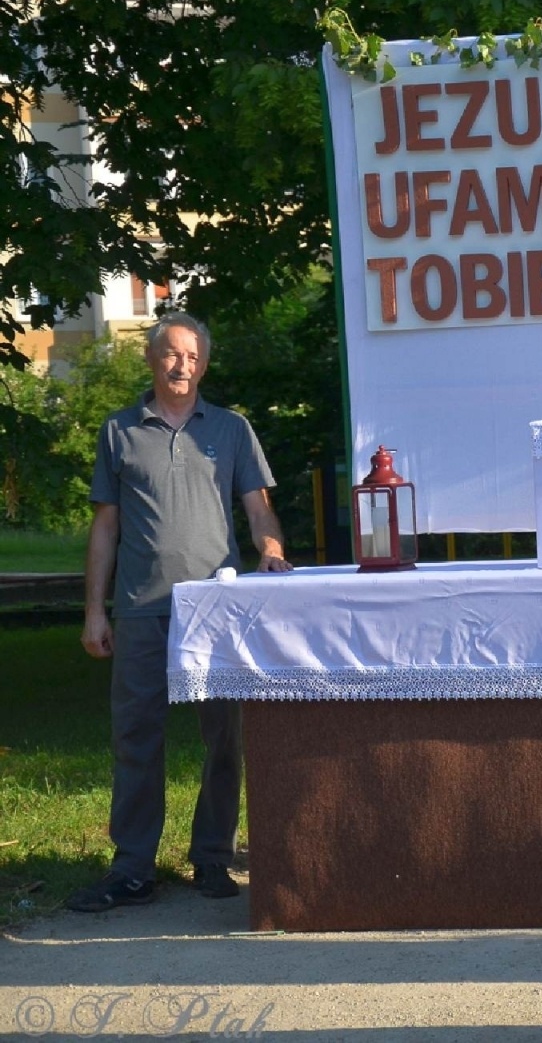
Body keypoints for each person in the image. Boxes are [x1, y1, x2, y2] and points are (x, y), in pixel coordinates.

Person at [67, 312, 293, 912]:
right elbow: (105, 528)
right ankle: (133, 869)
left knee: (224, 738)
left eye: (193, 358)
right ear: (151, 359)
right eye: (171, 355)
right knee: (137, 739)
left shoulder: (231, 429)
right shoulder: (120, 432)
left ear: (204, 366)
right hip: (141, 610)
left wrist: (270, 549)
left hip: (218, 609)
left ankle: (213, 858)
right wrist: (96, 611)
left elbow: (258, 506)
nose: (182, 366)